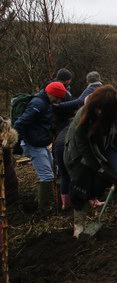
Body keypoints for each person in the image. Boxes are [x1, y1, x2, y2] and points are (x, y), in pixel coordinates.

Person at [63, 85, 117, 237]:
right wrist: (98, 168)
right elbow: (82, 145)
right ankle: (79, 225)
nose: (100, 112)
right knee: (81, 185)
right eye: (98, 109)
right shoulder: (83, 115)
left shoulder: (115, 109)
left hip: (106, 146)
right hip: (81, 152)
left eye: (103, 110)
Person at [14, 82, 66, 213]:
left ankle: (41, 201)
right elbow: (20, 123)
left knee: (52, 172)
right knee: (47, 176)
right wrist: (20, 143)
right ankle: (44, 209)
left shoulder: (45, 103)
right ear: (52, 94)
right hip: (34, 145)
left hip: (41, 144)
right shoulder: (38, 104)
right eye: (58, 97)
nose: (58, 101)